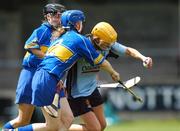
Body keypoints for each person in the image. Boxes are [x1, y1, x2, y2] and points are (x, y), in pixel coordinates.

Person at [9, 10, 120, 131]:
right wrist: (113, 72)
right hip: (46, 79)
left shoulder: (60, 38)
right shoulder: (79, 39)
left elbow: (53, 61)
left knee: (67, 119)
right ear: (77, 24)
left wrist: (57, 79)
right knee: (52, 126)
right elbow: (100, 61)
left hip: (50, 79)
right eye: (81, 22)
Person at [67, 22, 153, 131]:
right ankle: (60, 128)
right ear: (97, 39)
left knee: (102, 126)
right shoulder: (81, 45)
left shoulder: (107, 43)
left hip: (92, 89)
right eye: (107, 44)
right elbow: (102, 63)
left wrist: (143, 58)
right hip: (77, 93)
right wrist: (112, 72)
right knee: (95, 129)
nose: (109, 47)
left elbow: (128, 51)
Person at [2, 3, 68, 130]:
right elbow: (30, 46)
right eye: (56, 15)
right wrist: (48, 59)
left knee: (61, 121)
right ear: (48, 16)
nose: (59, 18)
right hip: (30, 73)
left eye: (61, 15)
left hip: (46, 75)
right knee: (23, 120)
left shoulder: (62, 34)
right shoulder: (43, 30)